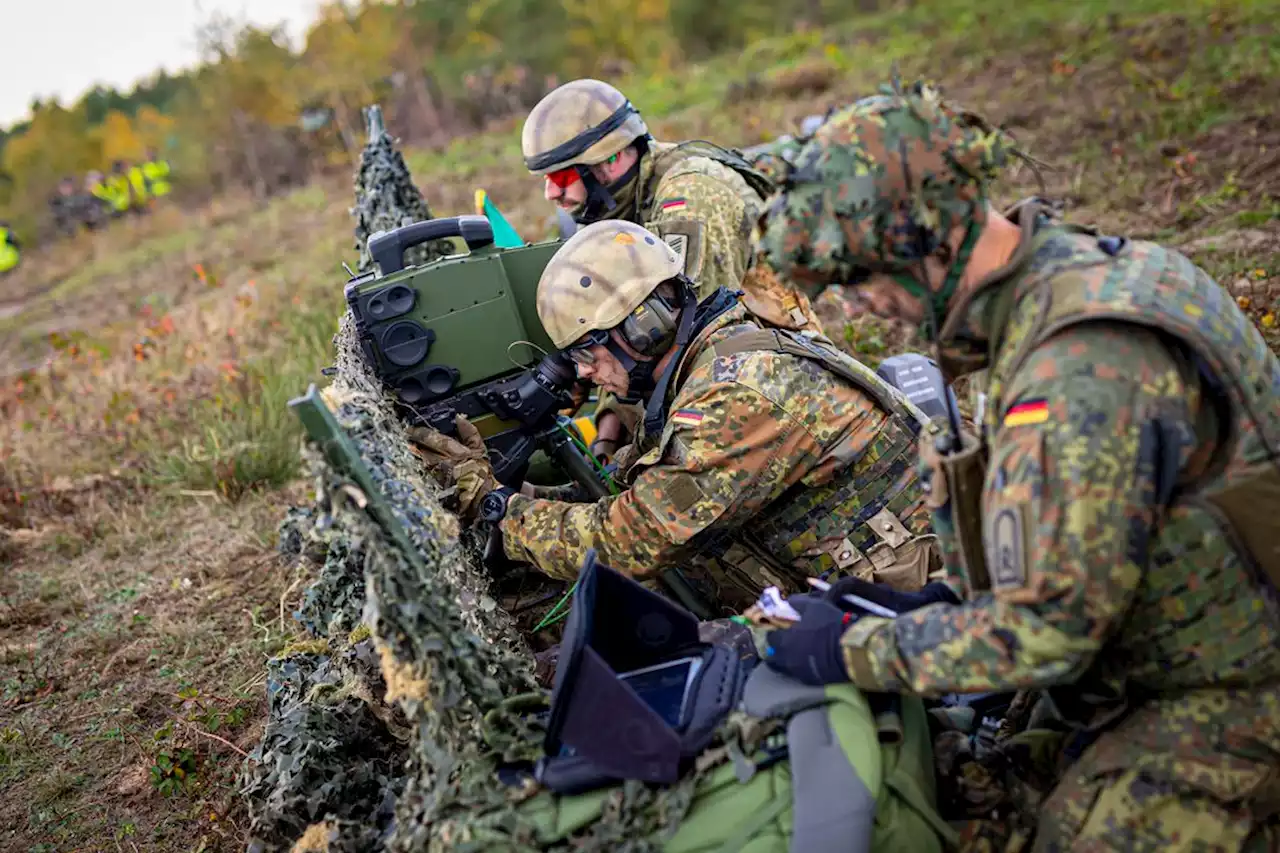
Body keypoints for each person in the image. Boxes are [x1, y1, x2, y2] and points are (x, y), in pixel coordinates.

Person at [753, 79, 1280, 851]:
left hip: (1238, 682)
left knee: (1077, 833)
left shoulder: (1078, 368)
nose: (857, 308)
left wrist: (848, 649)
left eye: (859, 278)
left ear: (926, 243)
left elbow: (1052, 631)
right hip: (1162, 637)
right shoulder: (1061, 280)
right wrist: (923, 604)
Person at [417, 219, 942, 617]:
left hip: (919, 600)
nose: (590, 376)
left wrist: (495, 507)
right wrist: (525, 501)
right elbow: (637, 499)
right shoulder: (708, 356)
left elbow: (628, 539)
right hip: (860, 582)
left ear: (643, 327)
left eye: (589, 354)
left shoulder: (737, 394)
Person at [521, 78, 825, 461]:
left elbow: (673, 339)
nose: (551, 193)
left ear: (611, 158)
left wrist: (626, 454)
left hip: (777, 379)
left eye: (561, 177)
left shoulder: (689, 198)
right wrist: (608, 422)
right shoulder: (623, 203)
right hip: (734, 374)